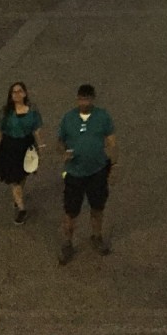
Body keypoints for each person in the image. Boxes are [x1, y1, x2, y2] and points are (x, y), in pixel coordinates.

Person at [57, 84, 117, 265]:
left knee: (97, 207)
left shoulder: (102, 117)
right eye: (81, 99)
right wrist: (63, 152)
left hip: (97, 171)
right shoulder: (68, 118)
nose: (83, 102)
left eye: (87, 99)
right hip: (74, 174)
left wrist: (114, 164)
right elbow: (59, 142)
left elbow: (112, 142)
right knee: (70, 212)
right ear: (77, 99)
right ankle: (68, 244)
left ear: (93, 99)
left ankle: (96, 237)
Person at [0, 81, 43, 224]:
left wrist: (40, 144)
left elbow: (36, 129)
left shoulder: (32, 111)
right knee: (15, 180)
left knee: (23, 175)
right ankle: (22, 208)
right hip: (10, 147)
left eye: (20, 91)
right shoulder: (6, 112)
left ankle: (18, 199)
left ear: (25, 93)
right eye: (14, 92)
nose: (17, 94)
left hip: (26, 146)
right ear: (10, 95)